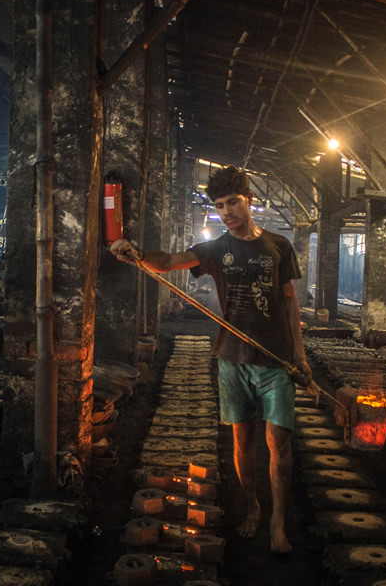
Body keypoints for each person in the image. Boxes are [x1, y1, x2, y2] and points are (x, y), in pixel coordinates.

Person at [110, 166, 311, 553]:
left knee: (278, 442)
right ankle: (252, 506)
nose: (227, 211)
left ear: (249, 200)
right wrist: (136, 254)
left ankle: (278, 523)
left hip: (276, 361)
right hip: (232, 358)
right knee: (242, 439)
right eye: (220, 206)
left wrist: (300, 356)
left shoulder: (279, 246)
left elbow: (289, 303)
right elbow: (169, 261)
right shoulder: (217, 249)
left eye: (233, 202)